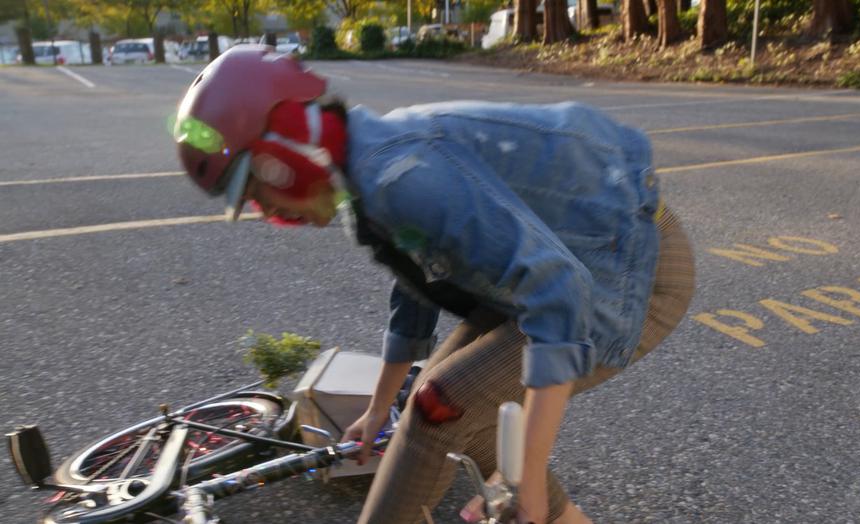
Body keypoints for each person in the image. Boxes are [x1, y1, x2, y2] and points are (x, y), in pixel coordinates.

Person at [175, 45, 694, 524]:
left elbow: (558, 291)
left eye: (255, 192)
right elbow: (418, 285)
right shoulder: (364, 168)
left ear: (279, 160)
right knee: (462, 422)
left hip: (628, 266)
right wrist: (379, 408)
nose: (267, 212)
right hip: (575, 257)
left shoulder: (397, 176)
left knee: (439, 408)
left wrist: (526, 478)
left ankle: (534, 501)